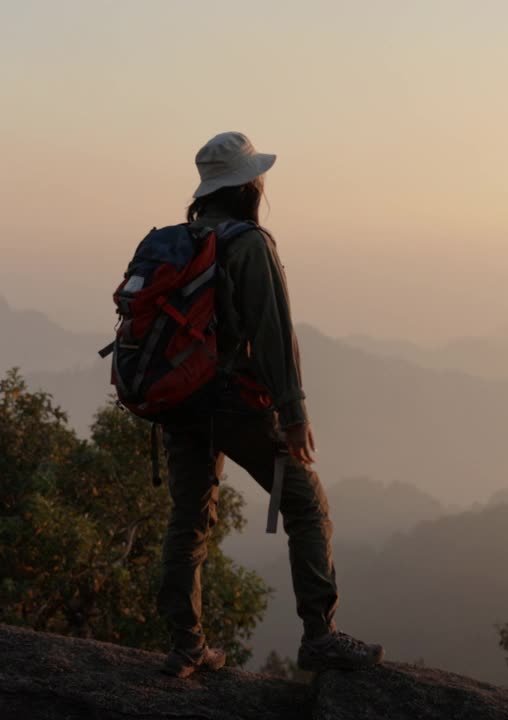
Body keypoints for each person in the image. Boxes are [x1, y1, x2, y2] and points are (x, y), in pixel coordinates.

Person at [158, 131, 384, 678]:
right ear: (245, 184)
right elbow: (275, 333)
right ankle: (321, 636)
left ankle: (187, 646)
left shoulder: (183, 238)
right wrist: (294, 411)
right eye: (257, 175)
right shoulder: (249, 243)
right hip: (234, 403)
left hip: (178, 401)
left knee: (188, 523)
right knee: (307, 507)